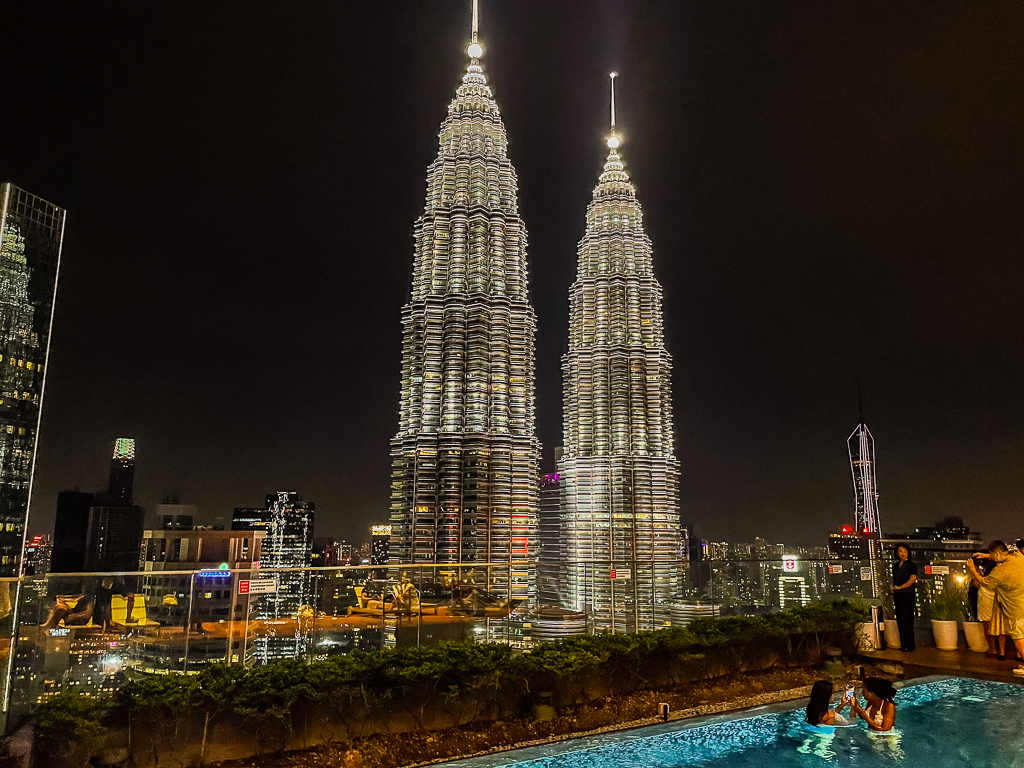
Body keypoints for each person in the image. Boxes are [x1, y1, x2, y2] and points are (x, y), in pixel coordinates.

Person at [967, 540, 1024, 674]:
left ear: (997, 554)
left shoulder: (1000, 571)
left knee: (1019, 638)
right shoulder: (1018, 557)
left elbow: (985, 583)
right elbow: (1003, 554)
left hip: (1015, 609)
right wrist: (985, 555)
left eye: (992, 555)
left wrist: (973, 570)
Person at [890, 545, 918, 651]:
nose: (903, 553)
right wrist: (893, 588)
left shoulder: (911, 565)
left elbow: (912, 579)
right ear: (897, 553)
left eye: (904, 551)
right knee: (900, 619)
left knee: (907, 619)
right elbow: (894, 580)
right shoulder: (895, 566)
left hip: (907, 594)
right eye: (900, 551)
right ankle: (904, 644)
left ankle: (909, 644)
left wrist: (901, 587)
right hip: (898, 595)